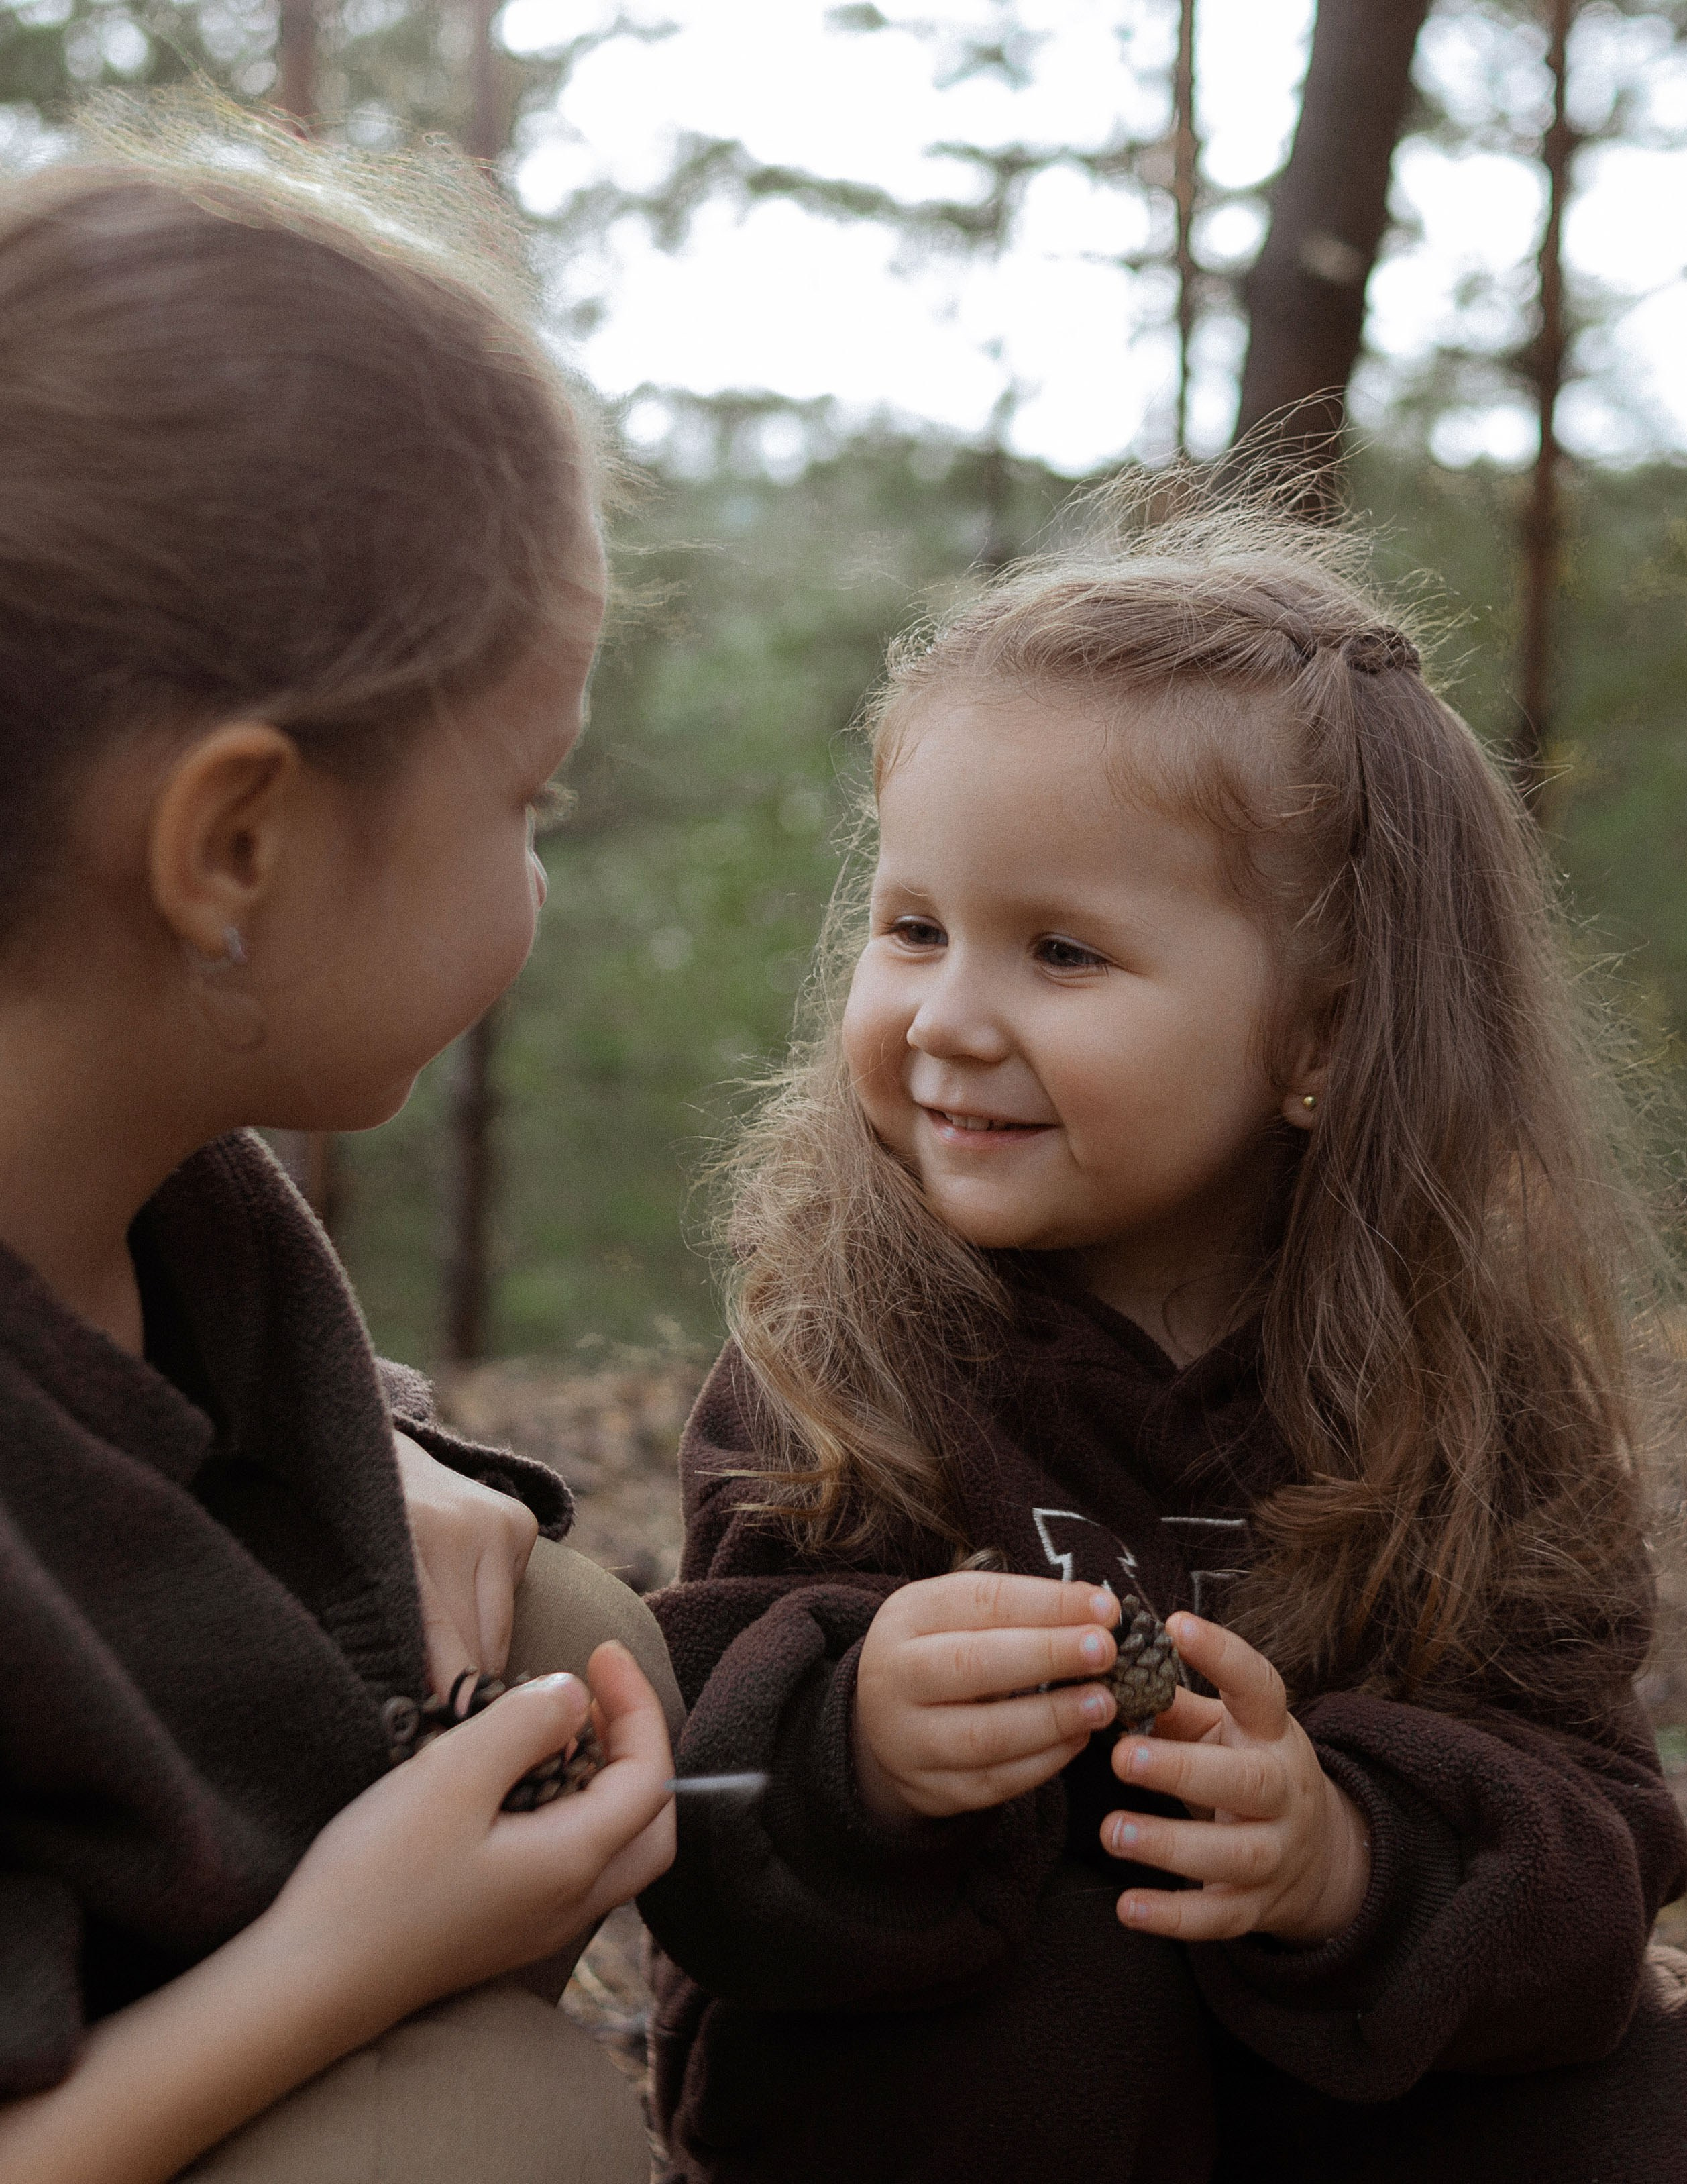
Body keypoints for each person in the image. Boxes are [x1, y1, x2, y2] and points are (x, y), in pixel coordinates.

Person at [639, 489, 1687, 2183]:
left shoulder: (1473, 1395)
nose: (946, 1017)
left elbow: (1591, 1836)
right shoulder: (848, 1348)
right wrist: (858, 1739)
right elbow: (691, 1787)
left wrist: (1340, 1853)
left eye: (1060, 950)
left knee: (1633, 2088)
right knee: (1060, 1994)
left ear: (1322, 1037)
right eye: (912, 927)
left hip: (1336, 2084)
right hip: (948, 2063)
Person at [0, 104, 684, 2184]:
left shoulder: (137, 1164)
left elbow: (112, 1448)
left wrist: (364, 1454)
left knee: (567, 1622)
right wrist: (351, 1965)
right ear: (237, 845)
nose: (537, 882)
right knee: (496, 2138)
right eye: (526, 806)